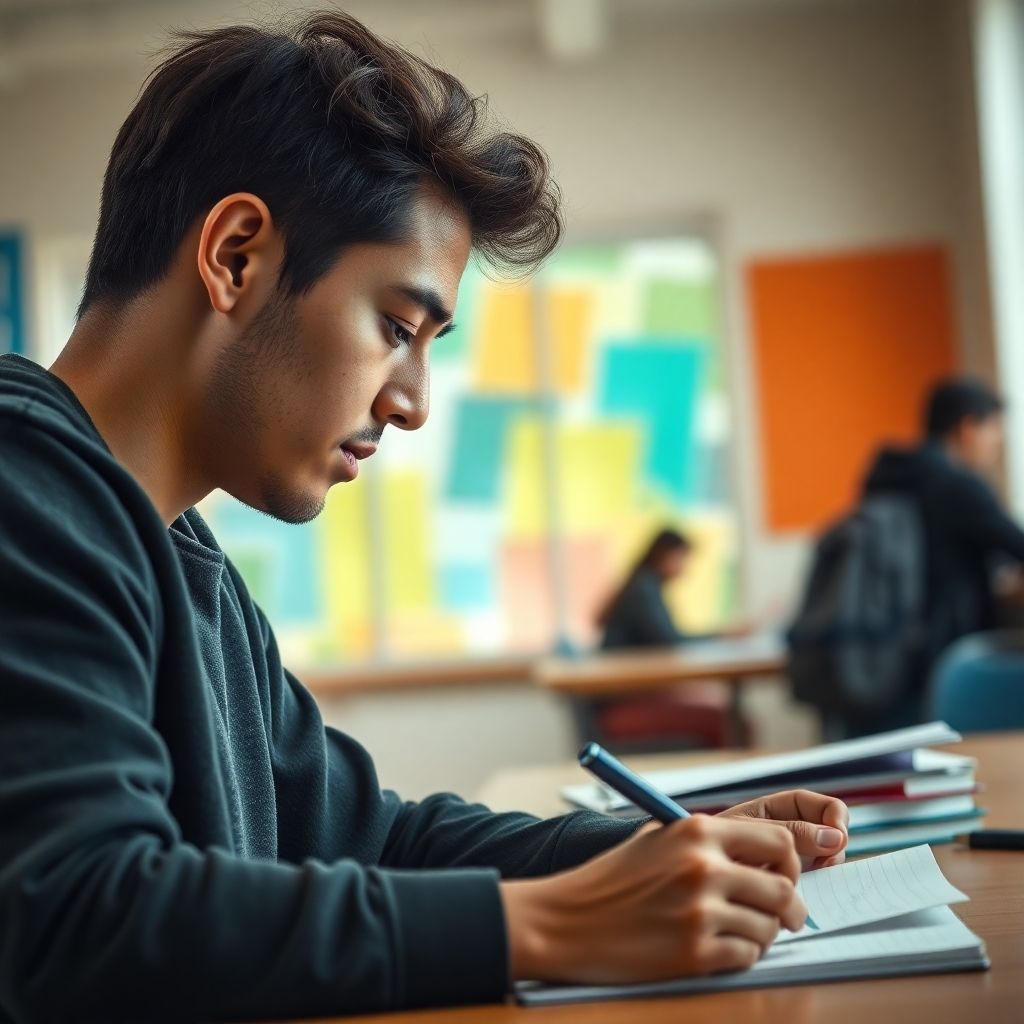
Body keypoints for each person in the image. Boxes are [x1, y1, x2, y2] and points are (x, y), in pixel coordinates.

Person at [0, 13, 849, 1022]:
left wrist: (662, 845)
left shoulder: (177, 552)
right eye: (395, 327)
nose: (412, 401)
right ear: (234, 256)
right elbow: (77, 916)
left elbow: (369, 837)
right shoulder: (26, 490)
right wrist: (554, 927)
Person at [858, 376, 1024, 725]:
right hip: (948, 658)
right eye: (994, 430)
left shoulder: (888, 478)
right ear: (968, 428)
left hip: (885, 655)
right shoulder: (958, 485)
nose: (998, 443)